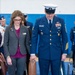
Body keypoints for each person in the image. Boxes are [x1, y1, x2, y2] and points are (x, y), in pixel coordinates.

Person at [30, 4, 68, 75]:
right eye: (48, 13)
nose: (50, 15)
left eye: (52, 13)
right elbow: (34, 38)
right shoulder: (39, 21)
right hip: (43, 53)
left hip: (56, 53)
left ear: (54, 12)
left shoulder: (61, 21)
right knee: (43, 73)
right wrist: (32, 53)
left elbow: (65, 38)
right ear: (45, 11)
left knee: (56, 73)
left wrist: (65, 52)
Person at [4, 10, 30, 75]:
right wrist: (7, 56)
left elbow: (27, 43)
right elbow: (5, 44)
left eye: (19, 19)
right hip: (11, 56)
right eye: (16, 19)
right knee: (11, 73)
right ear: (13, 19)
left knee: (20, 73)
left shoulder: (25, 29)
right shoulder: (8, 29)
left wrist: (31, 55)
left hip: (22, 55)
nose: (18, 21)